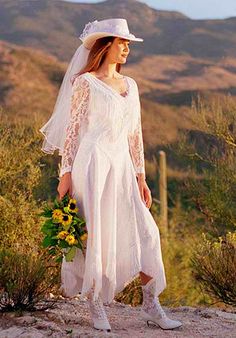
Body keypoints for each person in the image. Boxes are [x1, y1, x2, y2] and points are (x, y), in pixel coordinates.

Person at [39, 18, 182, 333]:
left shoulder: (130, 86)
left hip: (122, 167)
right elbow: (74, 134)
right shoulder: (85, 83)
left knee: (147, 232)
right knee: (96, 235)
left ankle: (150, 302)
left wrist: (142, 176)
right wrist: (65, 173)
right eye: (122, 43)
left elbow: (135, 135)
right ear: (106, 46)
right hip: (91, 165)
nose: (127, 48)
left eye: (128, 43)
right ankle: (94, 304)